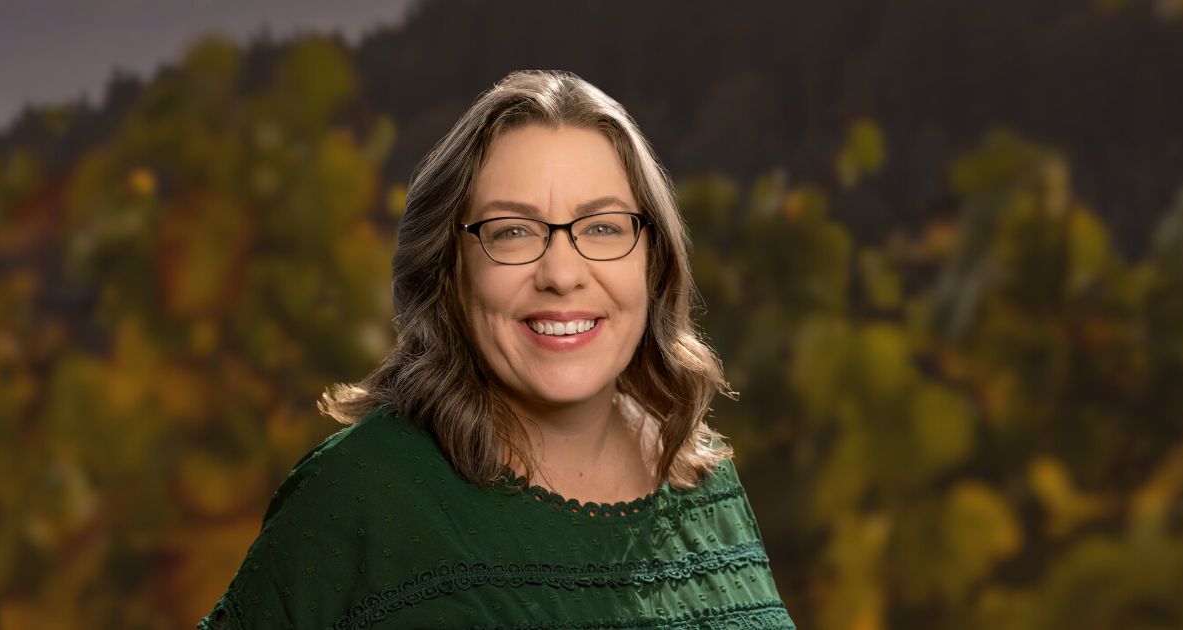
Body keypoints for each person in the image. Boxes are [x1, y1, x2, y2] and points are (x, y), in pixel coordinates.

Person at [198, 69, 793, 629]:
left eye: (603, 227)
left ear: (653, 261)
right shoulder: (359, 491)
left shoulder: (700, 473)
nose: (562, 273)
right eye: (512, 232)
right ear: (449, 271)